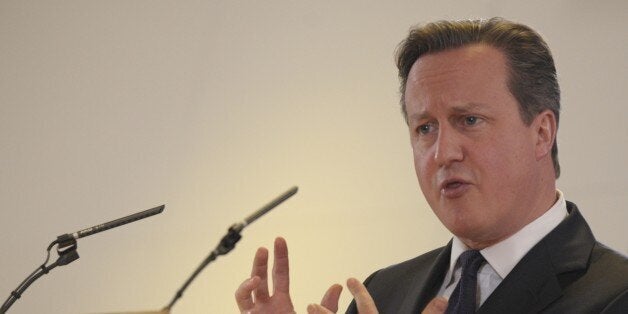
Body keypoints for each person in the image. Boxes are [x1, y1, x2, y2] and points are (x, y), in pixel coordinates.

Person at [235, 17, 628, 314]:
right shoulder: (383, 293)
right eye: (425, 128)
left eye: (469, 120)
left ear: (542, 132)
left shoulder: (615, 294)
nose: (443, 153)